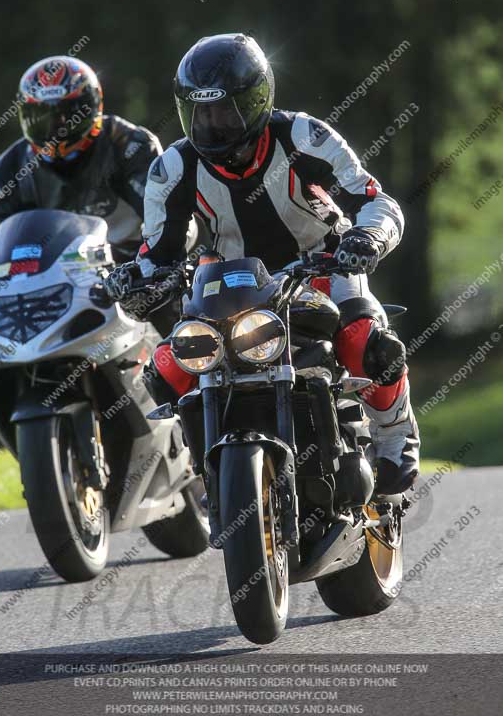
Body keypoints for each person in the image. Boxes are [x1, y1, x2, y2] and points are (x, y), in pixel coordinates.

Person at [105, 33, 420, 496]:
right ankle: (207, 472)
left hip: (321, 266)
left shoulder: (303, 136)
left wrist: (367, 237)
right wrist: (138, 281)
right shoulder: (173, 167)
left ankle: (395, 439)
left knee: (366, 341)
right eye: (202, 112)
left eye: (225, 110)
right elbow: (159, 252)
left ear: (256, 100)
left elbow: (375, 201)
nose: (213, 125)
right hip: (229, 283)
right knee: (169, 367)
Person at [0, 55, 162, 274]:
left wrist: (148, 265)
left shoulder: (130, 146)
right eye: (42, 118)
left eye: (68, 114)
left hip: (133, 275)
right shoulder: (3, 175)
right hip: (48, 285)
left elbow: (172, 220)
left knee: (169, 302)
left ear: (93, 107)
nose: (56, 129)